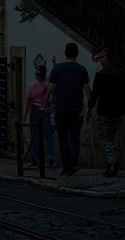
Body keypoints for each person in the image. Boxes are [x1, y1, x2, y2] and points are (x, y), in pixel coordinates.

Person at [45, 42, 90, 176]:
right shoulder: (82, 70)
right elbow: (87, 91)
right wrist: (91, 108)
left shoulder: (57, 69)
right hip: (76, 109)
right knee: (74, 138)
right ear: (77, 54)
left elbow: (51, 88)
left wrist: (46, 102)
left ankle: (67, 166)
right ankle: (74, 164)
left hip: (61, 109)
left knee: (63, 138)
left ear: (65, 53)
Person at [87, 48, 125, 177]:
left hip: (104, 112)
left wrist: (89, 109)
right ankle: (109, 167)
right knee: (110, 138)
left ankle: (112, 161)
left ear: (108, 59)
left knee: (105, 139)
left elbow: (95, 94)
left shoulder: (100, 76)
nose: (99, 59)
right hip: (118, 112)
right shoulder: (122, 75)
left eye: (102, 57)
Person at [25, 65, 54, 168]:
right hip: (46, 112)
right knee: (48, 136)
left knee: (35, 137)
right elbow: (52, 99)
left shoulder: (32, 85)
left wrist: (25, 117)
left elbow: (28, 102)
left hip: (36, 111)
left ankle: (36, 160)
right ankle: (50, 159)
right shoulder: (49, 85)